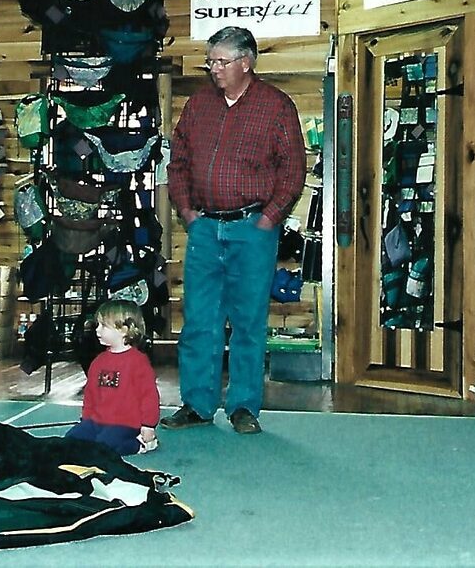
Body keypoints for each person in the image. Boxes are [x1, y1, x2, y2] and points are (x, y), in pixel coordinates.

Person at [162, 26, 307, 435]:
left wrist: (267, 220)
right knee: (199, 320)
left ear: (247, 63)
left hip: (252, 229)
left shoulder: (276, 106)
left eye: (222, 62)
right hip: (205, 228)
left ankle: (244, 406)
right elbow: (179, 162)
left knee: (247, 321)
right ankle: (197, 404)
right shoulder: (198, 105)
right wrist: (188, 211)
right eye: (210, 61)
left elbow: (293, 170)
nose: (214, 69)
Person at [66, 300, 160, 455]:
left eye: (104, 326)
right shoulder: (98, 361)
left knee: (104, 447)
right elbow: (91, 394)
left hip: (126, 424)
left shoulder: (138, 362)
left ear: (124, 329)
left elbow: (149, 396)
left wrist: (148, 425)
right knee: (71, 441)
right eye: (98, 325)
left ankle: (140, 445)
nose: (97, 330)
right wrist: (86, 419)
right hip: (97, 421)